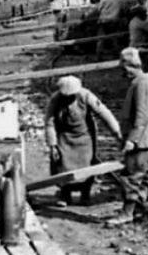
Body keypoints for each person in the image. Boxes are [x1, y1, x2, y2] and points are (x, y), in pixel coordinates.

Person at [108, 48, 148, 224]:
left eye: (123, 67)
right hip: (147, 140)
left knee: (131, 177)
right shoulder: (141, 82)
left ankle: (127, 213)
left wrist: (132, 139)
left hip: (142, 141)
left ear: (130, 66)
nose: (122, 71)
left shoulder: (142, 83)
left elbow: (143, 116)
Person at [43, 75, 121, 206]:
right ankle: (65, 194)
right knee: (63, 165)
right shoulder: (55, 99)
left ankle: (85, 194)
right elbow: (49, 122)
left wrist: (116, 132)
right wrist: (53, 145)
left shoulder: (86, 96)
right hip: (64, 137)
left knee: (87, 165)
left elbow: (104, 113)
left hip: (85, 137)